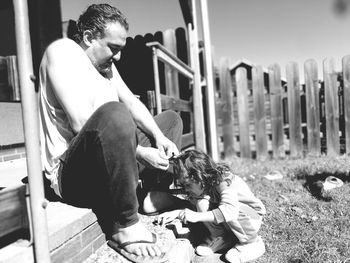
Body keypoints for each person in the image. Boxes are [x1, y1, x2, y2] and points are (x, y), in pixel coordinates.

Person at [38, 3, 183, 262]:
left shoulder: (105, 67)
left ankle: (147, 195)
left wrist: (159, 138)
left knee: (170, 120)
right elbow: (81, 124)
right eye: (113, 48)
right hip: (71, 176)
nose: (118, 57)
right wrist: (141, 153)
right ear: (88, 37)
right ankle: (125, 225)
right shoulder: (62, 52)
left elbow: (132, 103)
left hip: (108, 163)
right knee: (114, 115)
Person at [158, 150, 266, 263]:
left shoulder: (223, 181)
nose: (186, 190)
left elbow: (231, 211)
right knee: (201, 202)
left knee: (230, 208)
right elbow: (197, 205)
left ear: (200, 176)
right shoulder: (205, 185)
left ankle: (252, 243)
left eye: (188, 185)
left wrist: (196, 216)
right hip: (232, 221)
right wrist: (177, 213)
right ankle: (221, 237)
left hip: (251, 218)